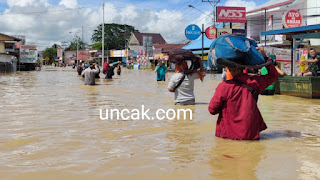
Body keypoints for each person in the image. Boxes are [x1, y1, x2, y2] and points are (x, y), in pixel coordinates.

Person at [208, 48, 279, 140]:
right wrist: (265, 58)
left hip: (229, 136)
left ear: (228, 69)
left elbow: (212, 109)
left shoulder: (223, 87)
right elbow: (273, 75)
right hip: (251, 135)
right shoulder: (254, 82)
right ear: (244, 67)